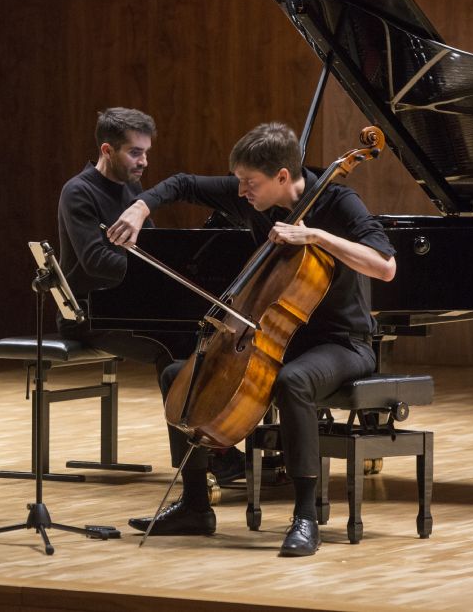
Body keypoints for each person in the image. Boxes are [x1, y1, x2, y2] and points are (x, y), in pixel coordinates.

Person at [110, 122, 396, 556]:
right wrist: (140, 208)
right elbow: (184, 183)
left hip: (342, 342)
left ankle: (305, 517)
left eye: (250, 183)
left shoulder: (340, 202)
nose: (241, 191)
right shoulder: (256, 196)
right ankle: (195, 506)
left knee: (293, 381)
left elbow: (385, 267)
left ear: (282, 176)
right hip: (279, 338)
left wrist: (316, 236)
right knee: (178, 375)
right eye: (239, 181)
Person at [57, 107, 246, 483]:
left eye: (146, 152)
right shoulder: (78, 192)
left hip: (129, 306)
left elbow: (149, 248)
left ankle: (215, 445)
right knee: (169, 348)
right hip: (90, 315)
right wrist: (154, 276)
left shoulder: (132, 189)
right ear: (107, 150)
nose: (144, 161)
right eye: (135, 152)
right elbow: (95, 261)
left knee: (198, 337)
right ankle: (198, 461)